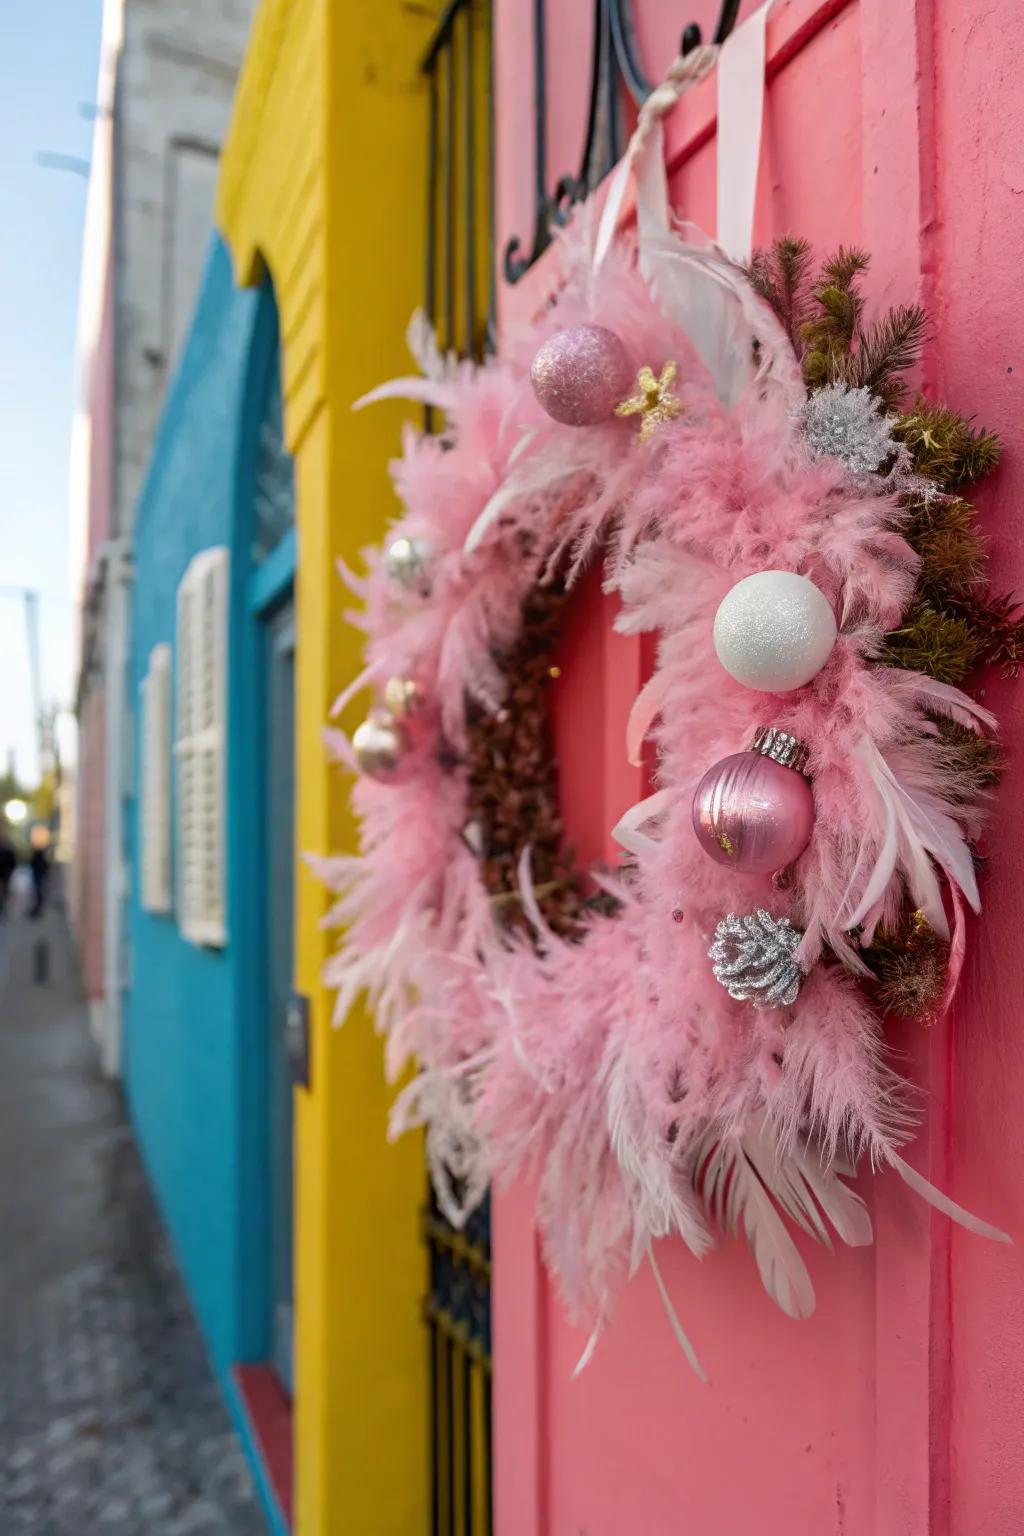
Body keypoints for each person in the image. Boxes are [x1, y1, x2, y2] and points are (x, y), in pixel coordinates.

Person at [28, 842, 48, 919]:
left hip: (38, 878)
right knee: (38, 893)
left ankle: (36, 909)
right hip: (38, 878)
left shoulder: (37, 859)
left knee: (37, 893)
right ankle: (36, 909)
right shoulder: (41, 859)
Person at [0, 833, 15, 917]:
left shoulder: (9, 852)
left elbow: (13, 863)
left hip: (6, 874)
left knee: (4, 891)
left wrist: (10, 872)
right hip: (4, 874)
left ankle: (2, 906)